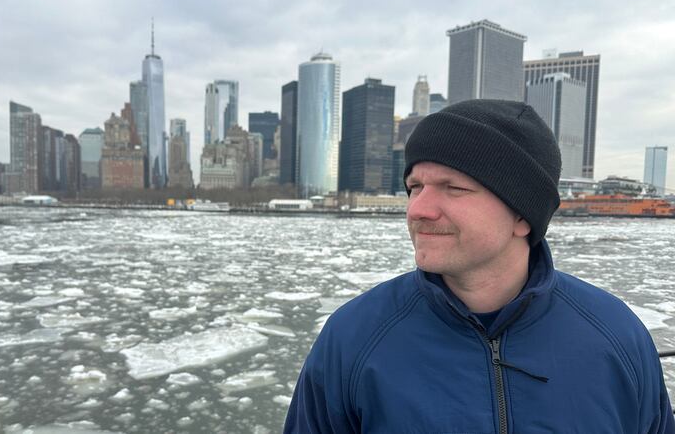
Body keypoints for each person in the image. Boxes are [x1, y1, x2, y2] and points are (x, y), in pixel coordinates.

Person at [284, 99, 674, 433]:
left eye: (454, 188)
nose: (418, 209)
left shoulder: (616, 336)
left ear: (522, 215)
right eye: (415, 187)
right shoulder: (353, 338)